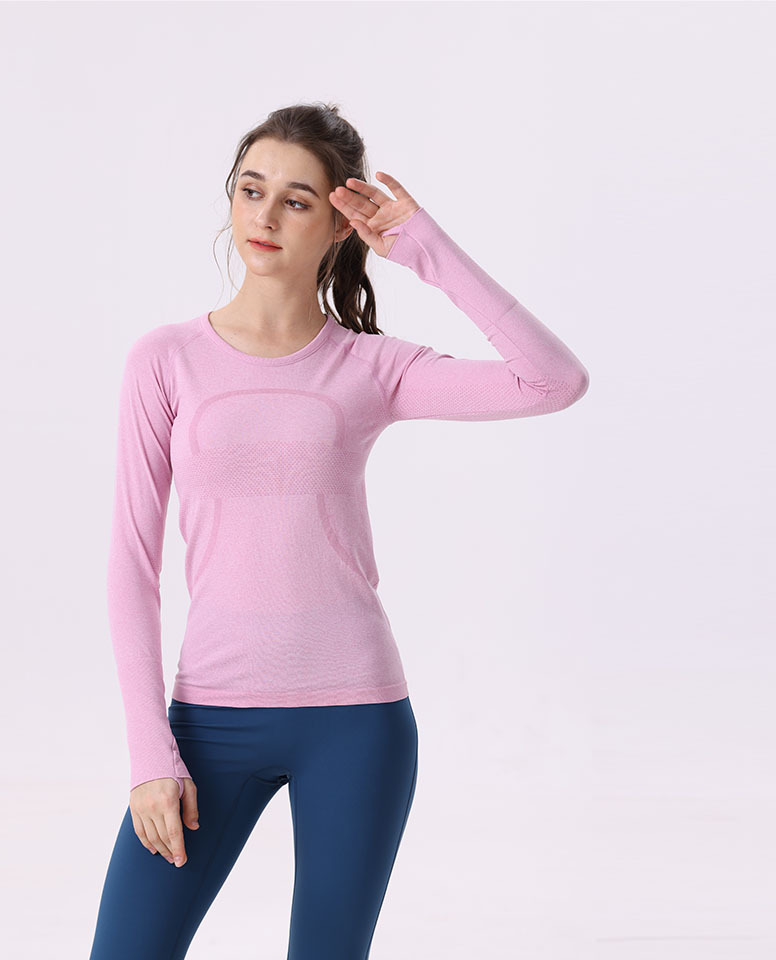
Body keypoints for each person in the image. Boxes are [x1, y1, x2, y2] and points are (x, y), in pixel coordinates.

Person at [88, 102, 589, 960]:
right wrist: (148, 754)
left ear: (339, 223)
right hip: (207, 723)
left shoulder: (371, 366)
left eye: (296, 200)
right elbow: (132, 565)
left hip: (356, 722)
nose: (266, 216)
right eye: (251, 190)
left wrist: (426, 250)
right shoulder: (164, 359)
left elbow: (554, 381)